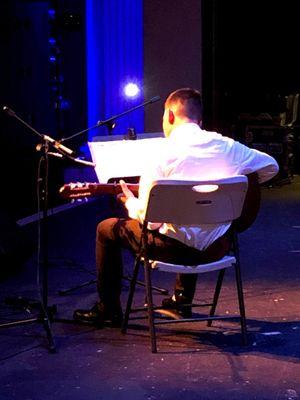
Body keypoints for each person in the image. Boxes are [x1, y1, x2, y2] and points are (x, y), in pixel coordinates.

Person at [73, 88, 279, 326]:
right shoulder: (230, 148)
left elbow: (149, 218)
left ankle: (108, 310)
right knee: (193, 215)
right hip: (217, 246)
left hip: (171, 250)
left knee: (106, 228)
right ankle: (182, 300)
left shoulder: (159, 154)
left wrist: (128, 201)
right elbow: (271, 166)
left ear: (170, 116)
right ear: (199, 121)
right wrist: (239, 183)